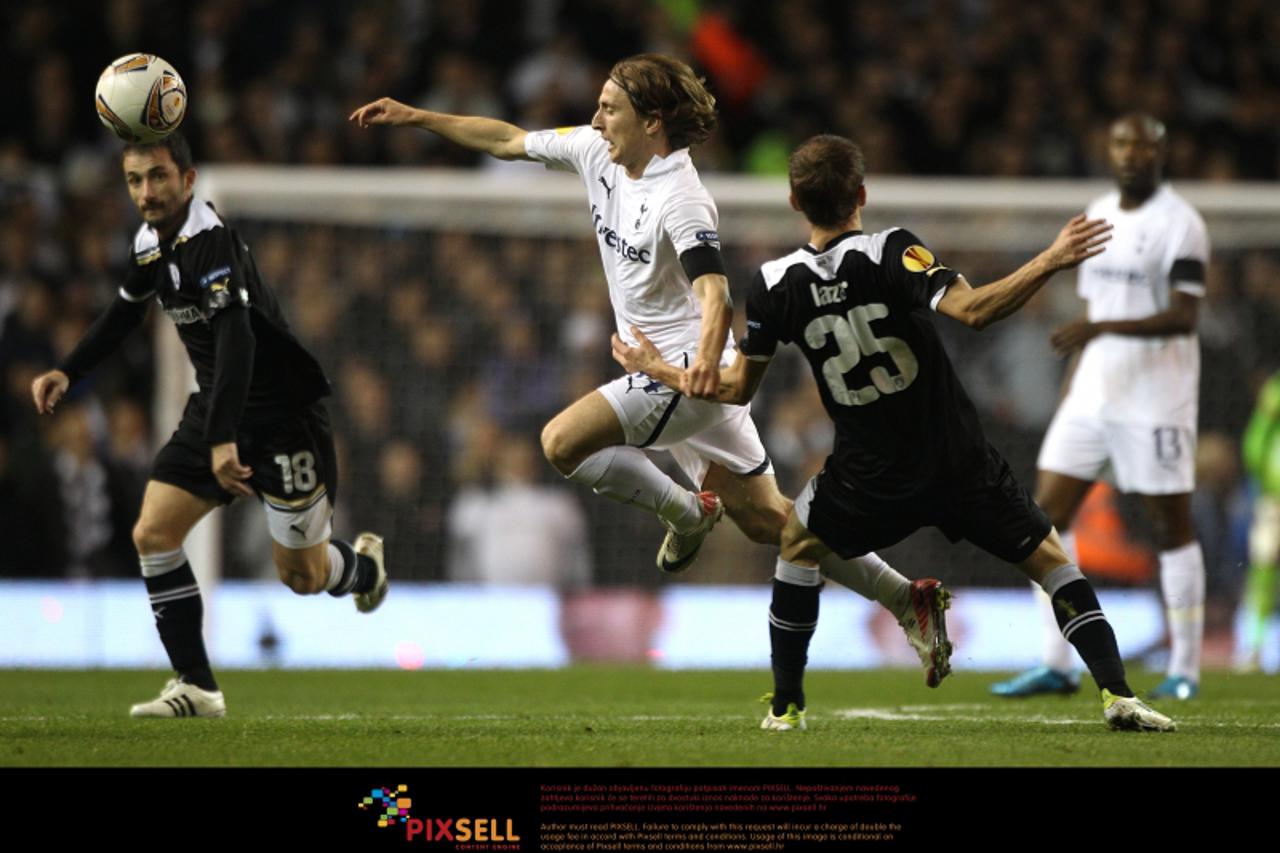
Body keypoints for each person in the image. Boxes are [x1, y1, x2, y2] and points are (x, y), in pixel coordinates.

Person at [350, 54, 952, 685]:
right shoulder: (594, 151)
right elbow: (504, 139)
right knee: (770, 521)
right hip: (676, 376)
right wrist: (417, 116)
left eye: (611, 108)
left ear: (653, 122)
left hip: (684, 372)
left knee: (560, 443)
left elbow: (715, 292)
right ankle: (907, 599)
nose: (595, 117)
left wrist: (686, 370)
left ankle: (687, 513)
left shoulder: (682, 197)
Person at [614, 134, 1175, 732]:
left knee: (798, 547)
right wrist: (1050, 259)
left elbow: (732, 390)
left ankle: (785, 709)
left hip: (867, 474)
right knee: (1052, 560)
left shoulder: (775, 282)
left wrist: (659, 369)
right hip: (957, 459)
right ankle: (1119, 695)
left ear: (794, 201)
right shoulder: (893, 251)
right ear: (861, 194)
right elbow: (976, 311)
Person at [30, 132, 388, 718]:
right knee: (153, 533)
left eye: (159, 177)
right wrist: (69, 372)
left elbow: (238, 339)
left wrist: (224, 435)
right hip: (217, 406)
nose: (146, 192)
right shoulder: (150, 244)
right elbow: (124, 313)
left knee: (302, 576)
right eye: (134, 180)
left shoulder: (209, 243)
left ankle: (365, 568)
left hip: (281, 420)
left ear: (188, 180)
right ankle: (196, 685)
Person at [991, 114, 1210, 701]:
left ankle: (1186, 669)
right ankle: (1057, 663)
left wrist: (1100, 325)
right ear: (1108, 151)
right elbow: (1091, 325)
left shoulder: (1181, 225)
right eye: (1122, 144)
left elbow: (1185, 317)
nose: (1132, 154)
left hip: (1157, 402)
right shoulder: (1096, 216)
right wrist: (1070, 397)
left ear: (1161, 154)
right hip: (1091, 397)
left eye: (1144, 145)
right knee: (1040, 521)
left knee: (1172, 528)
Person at [1239, 370, 1280, 670]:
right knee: (1263, 572)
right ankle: (1252, 647)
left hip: (1271, 495)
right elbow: (1254, 444)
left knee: (1263, 573)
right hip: (1273, 501)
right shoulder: (1276, 389)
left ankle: (1252, 648)